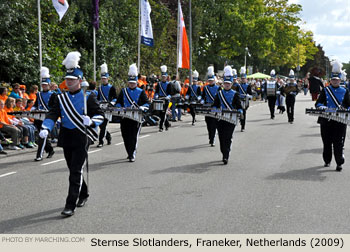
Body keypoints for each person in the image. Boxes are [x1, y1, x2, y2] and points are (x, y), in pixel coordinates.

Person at [40, 51, 104, 216]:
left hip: (82, 136)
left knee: (76, 170)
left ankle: (70, 205)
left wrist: (91, 121)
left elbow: (100, 116)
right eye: (67, 79)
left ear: (80, 81)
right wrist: (46, 127)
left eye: (72, 80)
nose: (68, 82)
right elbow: (52, 114)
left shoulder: (88, 97)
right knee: (73, 169)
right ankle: (83, 193)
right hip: (67, 136)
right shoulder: (60, 98)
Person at [315, 61, 350, 172]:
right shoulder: (325, 91)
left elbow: (349, 105)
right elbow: (318, 103)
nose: (335, 81)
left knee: (338, 142)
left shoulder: (345, 91)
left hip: (340, 120)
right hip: (326, 119)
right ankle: (327, 160)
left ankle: (339, 162)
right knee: (326, 142)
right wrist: (322, 107)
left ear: (340, 80)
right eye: (333, 80)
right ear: (330, 80)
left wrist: (346, 109)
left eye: (337, 80)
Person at [115, 64, 150, 162]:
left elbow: (147, 103)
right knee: (125, 136)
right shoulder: (123, 91)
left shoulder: (141, 91)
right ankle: (129, 152)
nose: (131, 84)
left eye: (133, 83)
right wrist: (118, 107)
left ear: (136, 82)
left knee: (133, 136)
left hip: (136, 117)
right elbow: (118, 102)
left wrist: (143, 107)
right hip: (125, 117)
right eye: (130, 83)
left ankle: (132, 154)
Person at [212, 65, 243, 164]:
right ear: (223, 83)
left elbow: (239, 106)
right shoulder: (219, 93)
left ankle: (226, 155)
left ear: (231, 83)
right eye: (225, 83)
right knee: (221, 137)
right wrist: (215, 109)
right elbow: (215, 105)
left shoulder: (235, 94)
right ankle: (223, 152)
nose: (227, 85)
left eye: (228, 83)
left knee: (228, 137)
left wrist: (240, 111)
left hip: (231, 118)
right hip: (220, 119)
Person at [32, 67, 55, 161]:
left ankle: (39, 155)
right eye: (43, 85)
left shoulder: (53, 94)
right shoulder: (39, 94)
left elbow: (54, 107)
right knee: (40, 136)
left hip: (47, 117)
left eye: (46, 85)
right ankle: (50, 150)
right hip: (38, 116)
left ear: (49, 85)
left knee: (42, 135)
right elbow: (36, 104)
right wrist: (33, 108)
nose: (44, 86)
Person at [96, 63, 117, 147]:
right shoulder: (99, 88)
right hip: (101, 108)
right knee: (101, 126)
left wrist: (111, 103)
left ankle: (101, 141)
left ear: (108, 78)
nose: (103, 80)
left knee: (104, 125)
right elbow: (98, 98)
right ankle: (108, 137)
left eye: (105, 79)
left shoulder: (112, 87)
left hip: (108, 108)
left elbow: (115, 98)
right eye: (102, 79)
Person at [202, 66, 220, 146]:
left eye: (212, 80)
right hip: (207, 107)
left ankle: (212, 139)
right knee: (208, 123)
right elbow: (203, 96)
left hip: (215, 107)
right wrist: (201, 100)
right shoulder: (205, 88)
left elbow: (220, 98)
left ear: (214, 80)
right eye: (209, 80)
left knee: (214, 123)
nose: (210, 82)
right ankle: (211, 137)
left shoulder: (218, 88)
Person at [154, 65, 171, 132]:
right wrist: (156, 95)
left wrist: (168, 97)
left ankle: (161, 127)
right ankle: (167, 124)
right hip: (160, 100)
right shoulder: (159, 84)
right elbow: (156, 92)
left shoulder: (169, 84)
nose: (163, 78)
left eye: (164, 77)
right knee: (161, 113)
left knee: (163, 113)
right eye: (163, 77)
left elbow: (170, 93)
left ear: (166, 77)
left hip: (166, 100)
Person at [236, 66, 252, 132]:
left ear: (246, 79)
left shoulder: (248, 86)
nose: (243, 80)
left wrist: (248, 95)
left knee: (244, 113)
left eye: (244, 78)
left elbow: (250, 94)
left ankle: (243, 126)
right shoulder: (238, 85)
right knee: (239, 113)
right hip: (239, 101)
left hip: (245, 101)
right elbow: (236, 93)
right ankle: (241, 120)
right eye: (242, 78)